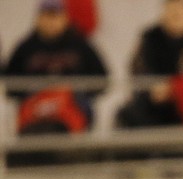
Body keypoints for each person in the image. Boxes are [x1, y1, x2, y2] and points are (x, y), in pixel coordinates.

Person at [5, 0, 107, 134]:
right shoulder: (26, 47)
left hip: (72, 107)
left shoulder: (80, 44)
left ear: (65, 18)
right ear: (38, 18)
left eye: (55, 16)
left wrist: (73, 90)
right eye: (47, 16)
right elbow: (10, 84)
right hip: (34, 111)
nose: (51, 22)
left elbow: (102, 78)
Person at [115, 0, 183, 128]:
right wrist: (155, 88)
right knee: (128, 114)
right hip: (153, 101)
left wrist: (173, 89)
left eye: (180, 12)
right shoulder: (150, 38)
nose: (176, 16)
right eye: (171, 12)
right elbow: (139, 70)